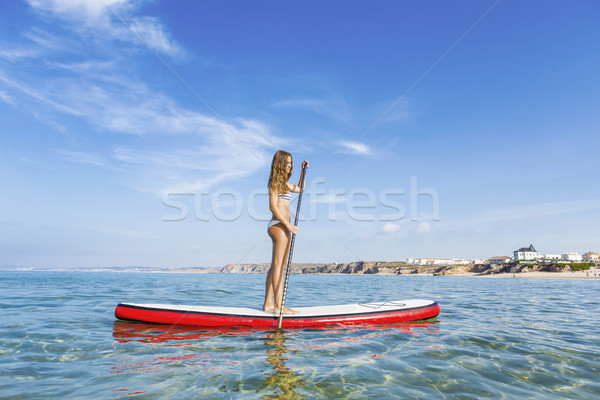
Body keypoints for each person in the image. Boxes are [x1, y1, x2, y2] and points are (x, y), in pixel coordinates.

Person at [262, 150, 308, 314]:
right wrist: (288, 226)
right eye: (287, 163)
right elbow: (273, 206)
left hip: (282, 227)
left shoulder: (285, 184)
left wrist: (303, 171)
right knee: (279, 267)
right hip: (279, 226)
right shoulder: (275, 182)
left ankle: (268, 303)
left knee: (275, 267)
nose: (290, 166)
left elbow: (301, 189)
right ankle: (278, 306)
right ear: (280, 164)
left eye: (291, 163)